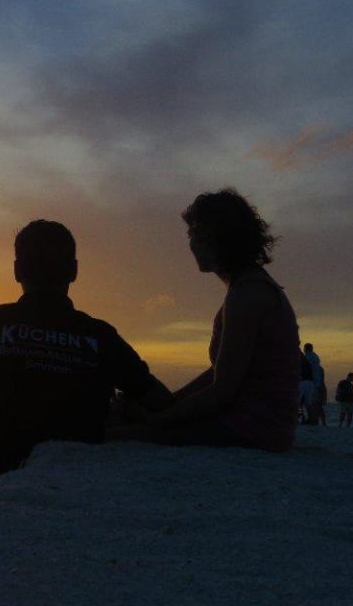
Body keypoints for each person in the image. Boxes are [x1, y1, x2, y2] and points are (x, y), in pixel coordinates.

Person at [0, 219, 171, 517]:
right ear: (73, 271)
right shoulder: (101, 336)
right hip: (72, 471)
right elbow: (160, 401)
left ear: (17, 271)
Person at [123, 189, 300, 452]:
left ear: (216, 238)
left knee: (121, 434)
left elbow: (222, 390)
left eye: (194, 233)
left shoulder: (247, 294)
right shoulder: (249, 287)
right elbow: (220, 373)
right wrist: (169, 405)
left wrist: (158, 419)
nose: (191, 243)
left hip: (253, 428)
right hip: (259, 424)